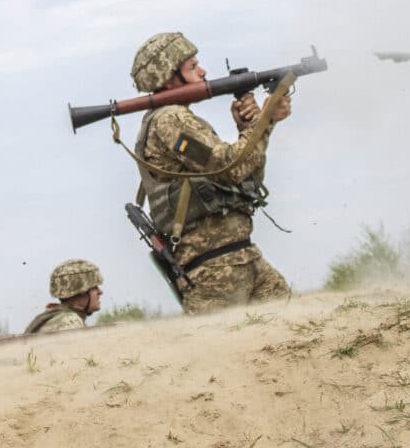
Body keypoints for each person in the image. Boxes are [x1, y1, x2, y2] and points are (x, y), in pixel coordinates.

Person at [130, 32, 293, 314]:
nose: (203, 71)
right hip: (216, 271)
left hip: (240, 258)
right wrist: (264, 120)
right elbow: (230, 167)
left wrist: (251, 128)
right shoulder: (170, 120)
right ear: (170, 78)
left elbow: (243, 178)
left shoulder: (174, 118)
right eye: (192, 67)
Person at [25, 259, 104, 334]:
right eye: (95, 287)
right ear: (82, 291)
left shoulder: (49, 318)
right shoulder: (70, 322)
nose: (100, 292)